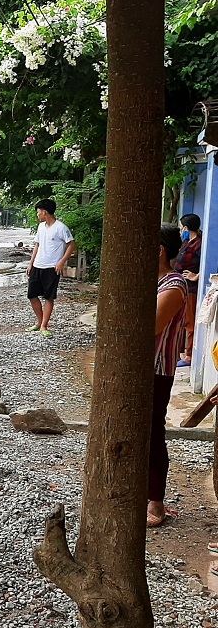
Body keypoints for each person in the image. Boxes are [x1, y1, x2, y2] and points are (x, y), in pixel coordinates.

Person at [148, 225, 189, 527]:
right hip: (143, 369)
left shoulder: (173, 286)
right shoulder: (158, 281)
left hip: (157, 369)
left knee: (152, 432)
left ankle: (156, 503)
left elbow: (151, 327)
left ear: (159, 251)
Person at [26, 199, 75, 337]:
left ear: (44, 212)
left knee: (48, 297)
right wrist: (31, 263)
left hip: (51, 267)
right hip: (38, 265)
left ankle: (44, 326)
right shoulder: (41, 227)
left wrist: (61, 262)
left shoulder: (61, 227)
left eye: (38, 212)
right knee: (32, 295)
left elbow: (71, 245)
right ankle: (40, 322)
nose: (37, 215)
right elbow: (37, 245)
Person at [173, 213, 202, 366]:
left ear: (186, 226)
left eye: (181, 225)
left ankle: (189, 355)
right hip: (182, 285)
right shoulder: (186, 241)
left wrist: (196, 276)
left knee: (190, 321)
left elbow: (204, 264)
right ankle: (181, 351)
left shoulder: (199, 244)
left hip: (191, 287)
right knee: (181, 320)